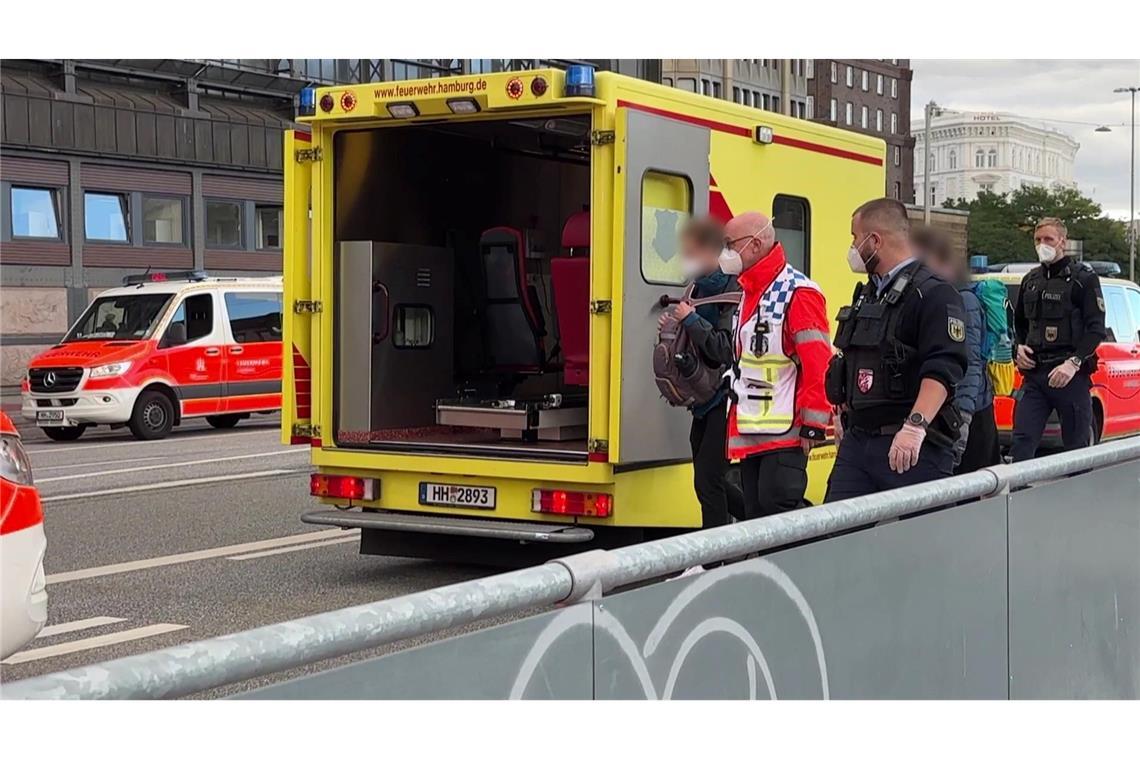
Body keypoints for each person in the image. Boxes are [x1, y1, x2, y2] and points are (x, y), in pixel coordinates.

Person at [824, 199, 968, 501]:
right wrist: (843, 415)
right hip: (859, 441)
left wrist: (915, 427)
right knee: (833, 538)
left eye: (854, 237)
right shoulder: (868, 294)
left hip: (911, 443)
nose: (852, 247)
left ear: (874, 240)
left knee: (917, 542)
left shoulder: (933, 293)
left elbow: (943, 367)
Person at [720, 211, 832, 518]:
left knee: (779, 513)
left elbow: (819, 363)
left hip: (786, 434)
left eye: (730, 244)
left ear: (754, 245)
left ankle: (797, 566)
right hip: (755, 430)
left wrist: (813, 425)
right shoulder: (751, 291)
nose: (725, 252)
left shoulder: (798, 292)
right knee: (757, 516)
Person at [658, 216, 742, 529]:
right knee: (708, 480)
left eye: (692, 253)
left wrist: (691, 321)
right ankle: (765, 529)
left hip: (725, 397)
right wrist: (673, 329)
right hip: (703, 398)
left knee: (709, 480)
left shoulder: (733, 291)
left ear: (711, 251)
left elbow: (725, 348)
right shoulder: (696, 288)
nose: (687, 260)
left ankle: (714, 556)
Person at [1010, 217, 1107, 461]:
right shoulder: (1030, 280)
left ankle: (1077, 497)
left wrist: (1073, 363)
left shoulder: (1083, 279)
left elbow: (1095, 329)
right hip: (1036, 375)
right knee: (1022, 442)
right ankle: (1020, 497)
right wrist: (1018, 350)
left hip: (1070, 375)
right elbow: (1019, 324)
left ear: (1063, 242)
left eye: (1048, 239)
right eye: (1038, 239)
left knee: (1076, 448)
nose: (1042, 244)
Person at [911, 225, 1001, 473]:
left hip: (970, 414)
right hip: (949, 412)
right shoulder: (933, 296)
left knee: (971, 491)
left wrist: (963, 423)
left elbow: (969, 365)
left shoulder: (963, 300)